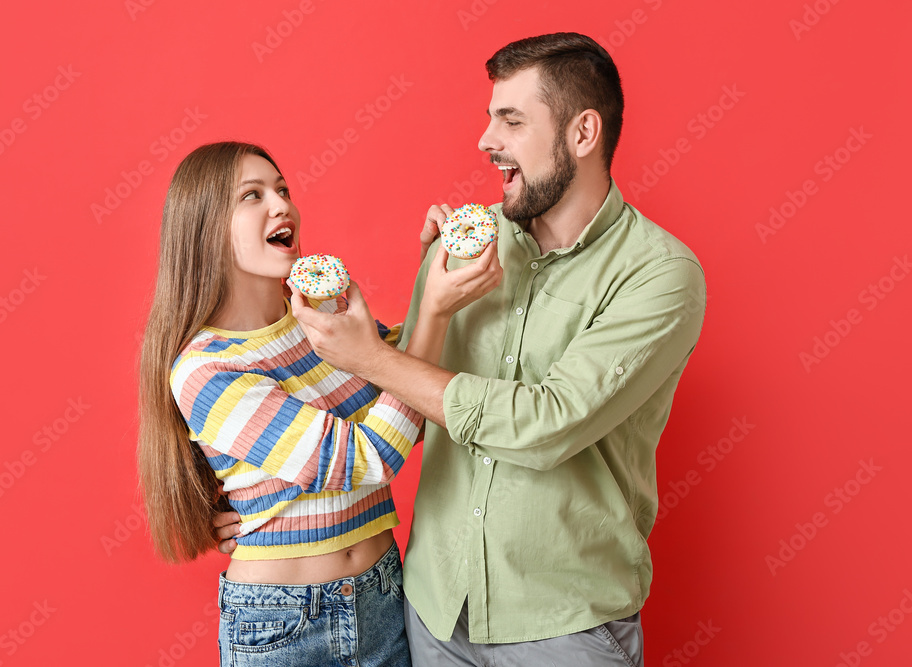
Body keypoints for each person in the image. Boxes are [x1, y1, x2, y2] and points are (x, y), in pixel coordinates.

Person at [232, 33, 709, 666]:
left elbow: (547, 423)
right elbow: (400, 402)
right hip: (433, 609)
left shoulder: (660, 274)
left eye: (510, 121)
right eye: (489, 118)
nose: (485, 141)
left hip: (561, 626)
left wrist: (376, 359)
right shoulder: (466, 247)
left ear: (583, 133)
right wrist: (251, 493)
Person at [137, 141, 501, 667]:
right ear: (205, 228)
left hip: (385, 595)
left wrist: (433, 280)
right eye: (252, 196)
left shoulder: (323, 315)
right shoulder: (206, 369)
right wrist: (434, 316)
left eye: (282, 189)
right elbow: (365, 460)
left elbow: (411, 407)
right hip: (282, 624)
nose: (281, 204)